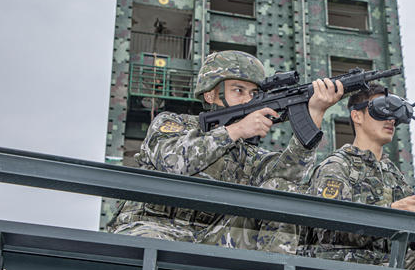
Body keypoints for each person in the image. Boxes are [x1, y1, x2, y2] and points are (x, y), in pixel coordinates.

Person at [106, 50, 343, 244]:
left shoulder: (247, 153)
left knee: (283, 191)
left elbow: (288, 177)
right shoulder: (173, 123)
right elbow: (173, 162)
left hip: (210, 237)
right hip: (152, 227)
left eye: (253, 93)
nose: (247, 100)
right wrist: (237, 130)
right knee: (149, 246)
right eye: (238, 90)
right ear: (211, 95)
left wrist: (314, 115)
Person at [301, 84, 415, 270]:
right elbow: (329, 230)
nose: (391, 120)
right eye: (381, 110)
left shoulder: (393, 174)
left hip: (391, 264)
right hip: (347, 266)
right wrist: (390, 214)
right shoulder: (337, 166)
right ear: (357, 116)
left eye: (394, 114)